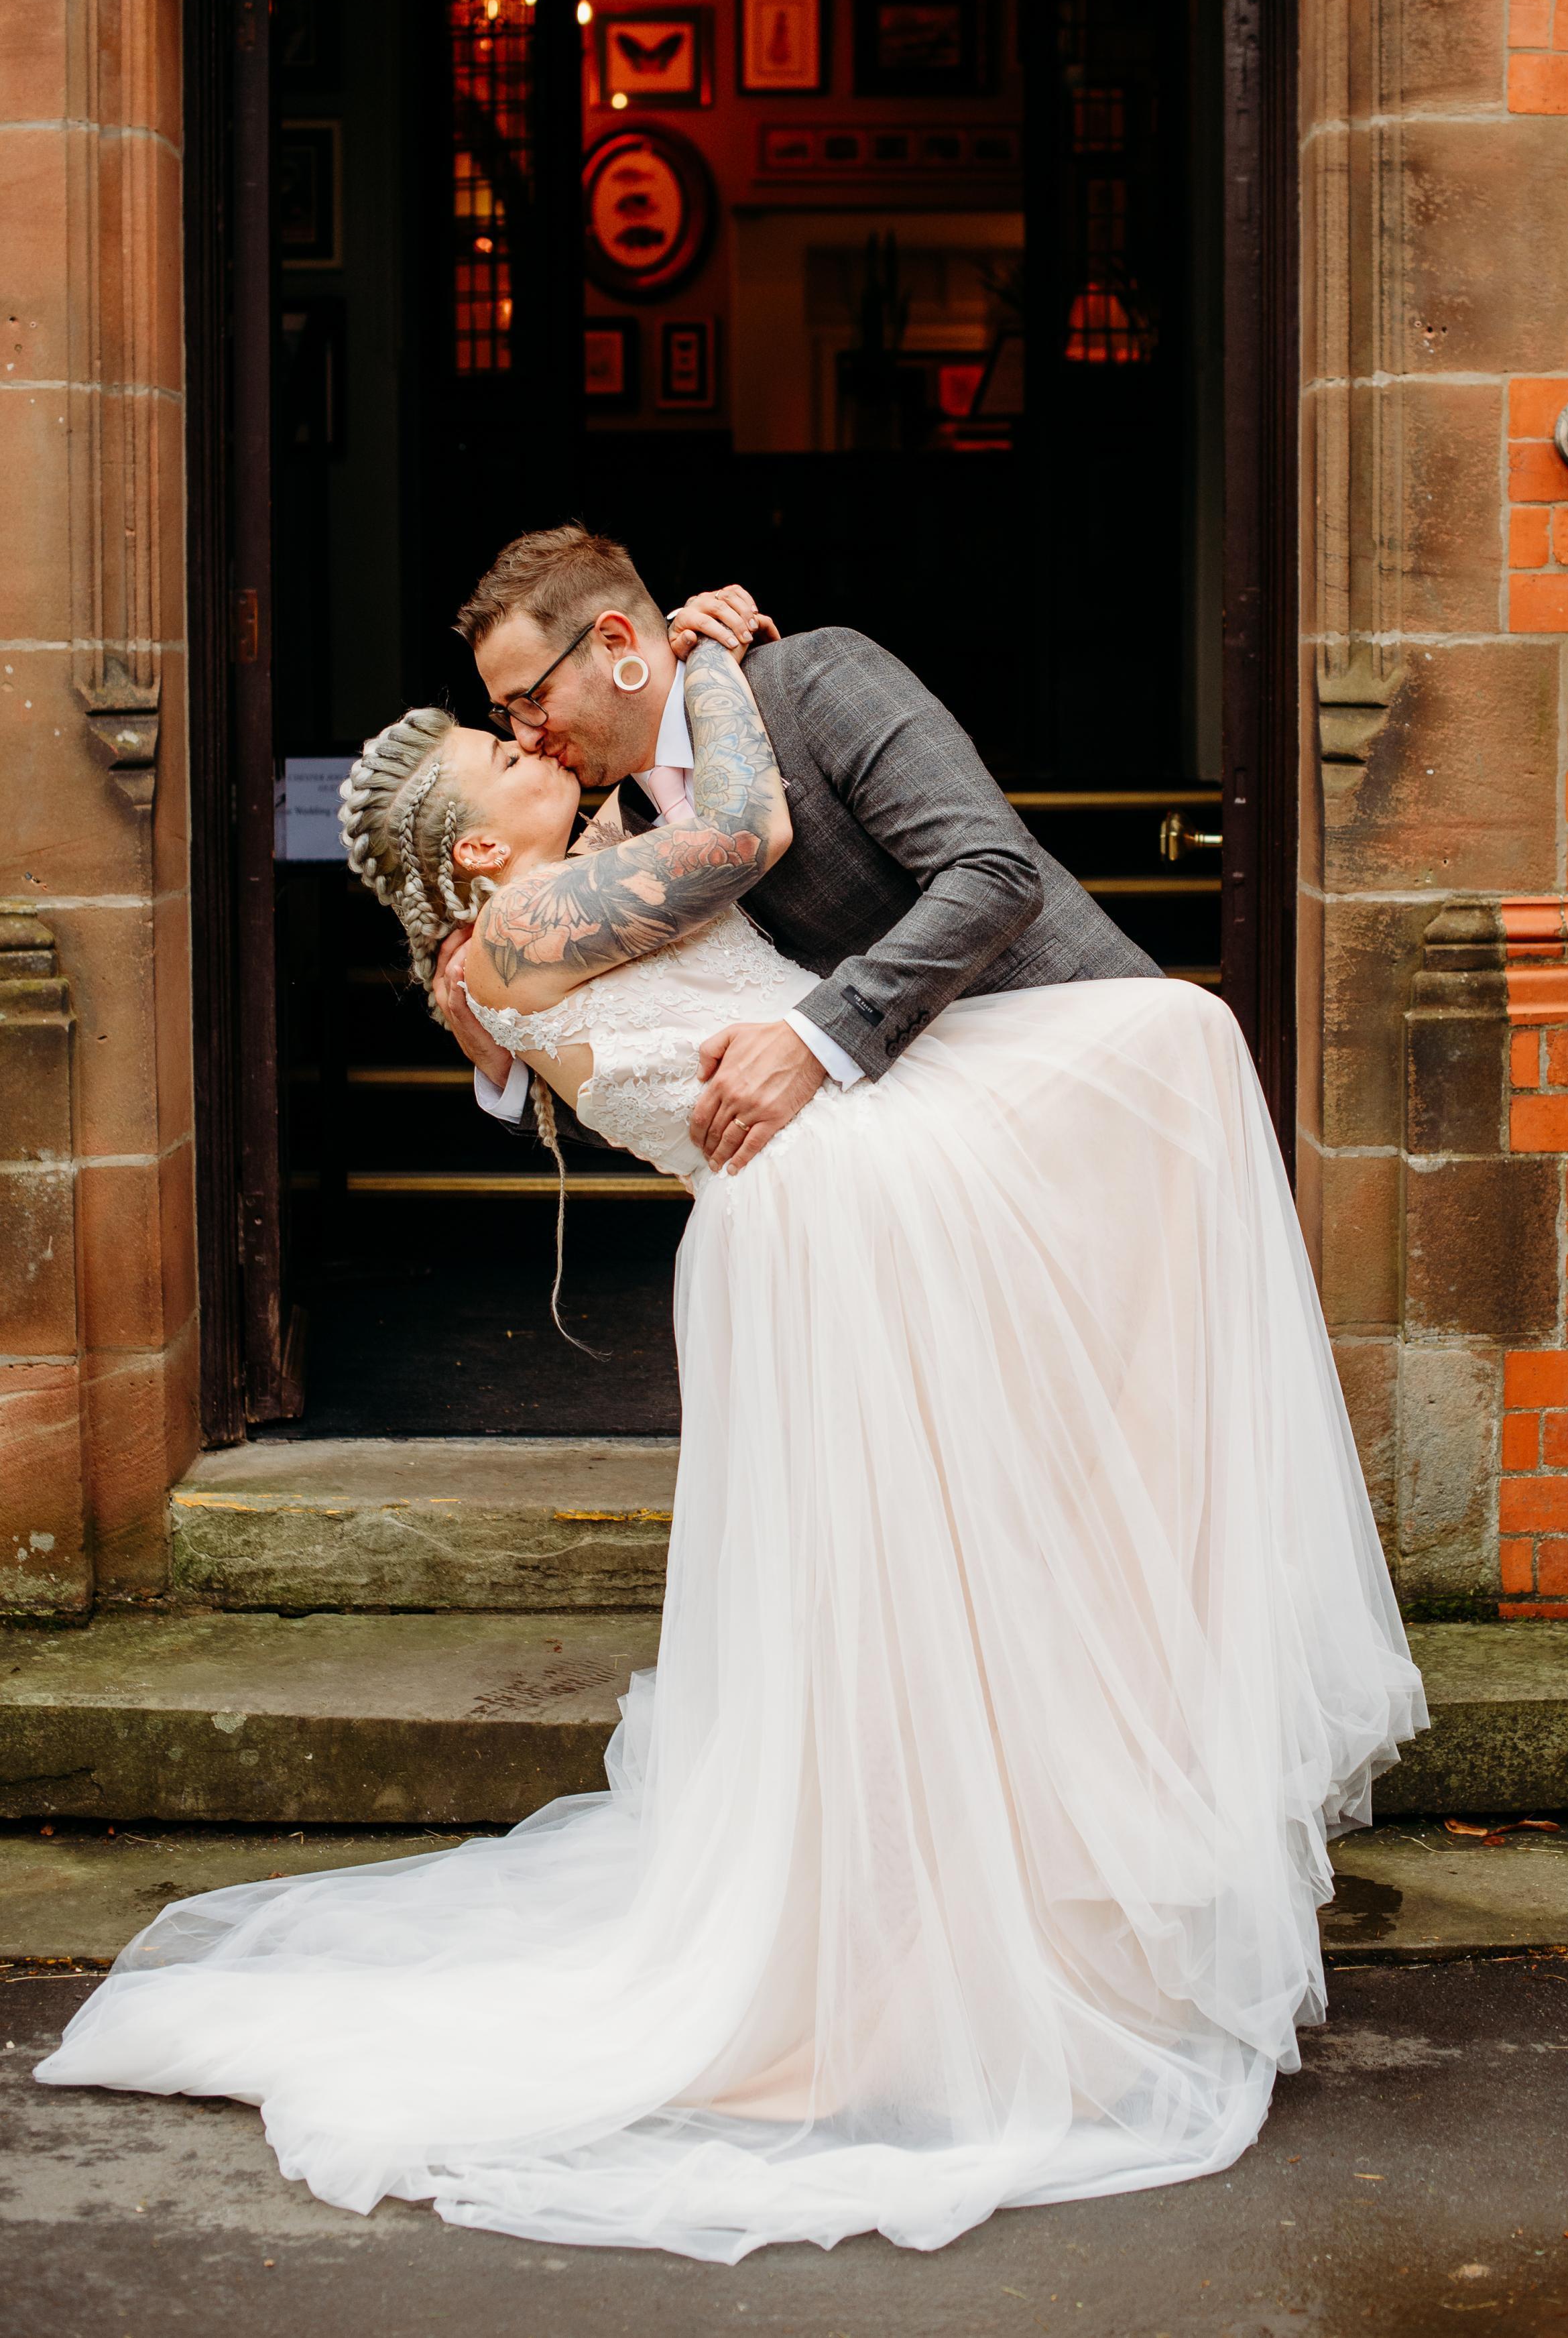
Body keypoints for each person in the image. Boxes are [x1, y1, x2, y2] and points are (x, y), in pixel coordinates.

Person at [37, 543, 1427, 2264]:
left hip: (841, 1201)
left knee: (919, 1597)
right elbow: (749, 837)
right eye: (506, 750)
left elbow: (777, 851)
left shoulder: (545, 906)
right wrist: (703, 658)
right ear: (477, 850)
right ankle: (898, 1980)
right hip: (830, 1223)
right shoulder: (535, 920)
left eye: (526, 712)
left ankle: (957, 1946)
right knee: (1153, 1093)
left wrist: (694, 670)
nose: (534, 746)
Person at [433, 526, 1161, 1177]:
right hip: (938, 1166)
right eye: (506, 716)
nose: (524, 735)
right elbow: (672, 1093)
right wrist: (507, 1057)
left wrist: (814, 1040)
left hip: (1090, 1073)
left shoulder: (812, 678)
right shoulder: (622, 844)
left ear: (616, 643)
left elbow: (993, 872)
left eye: (529, 698)